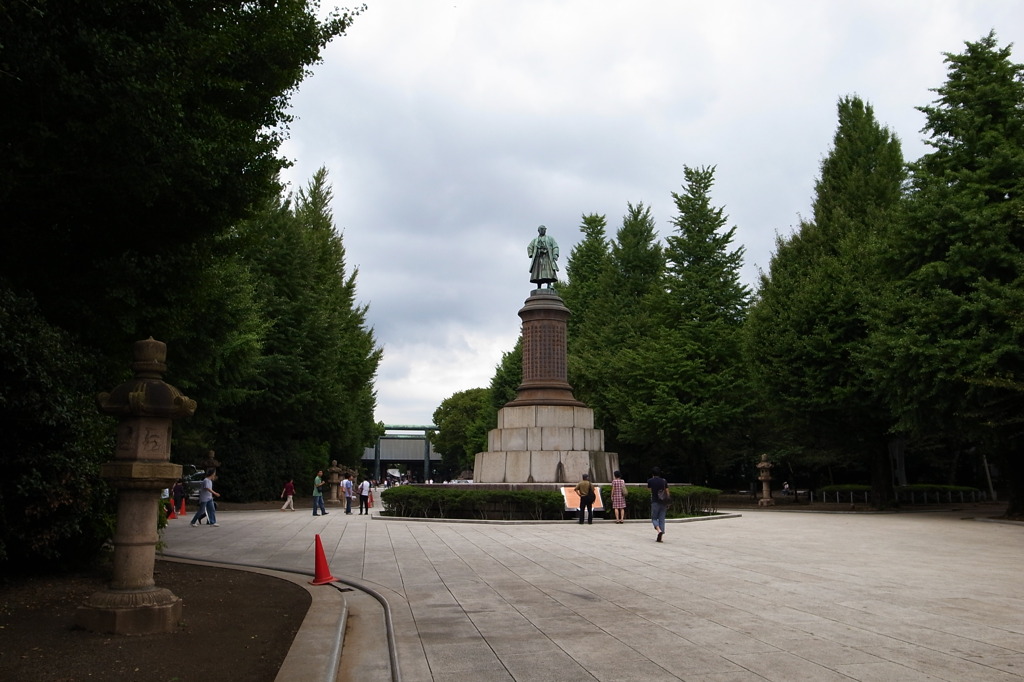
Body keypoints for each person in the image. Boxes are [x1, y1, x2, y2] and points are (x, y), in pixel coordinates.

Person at [647, 467, 668, 542]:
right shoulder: (663, 481)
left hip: (655, 501)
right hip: (663, 502)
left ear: (652, 474)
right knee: (662, 518)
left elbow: (649, 490)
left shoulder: (650, 481)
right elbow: (667, 491)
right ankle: (661, 536)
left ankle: (659, 530)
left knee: (654, 518)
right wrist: (668, 500)